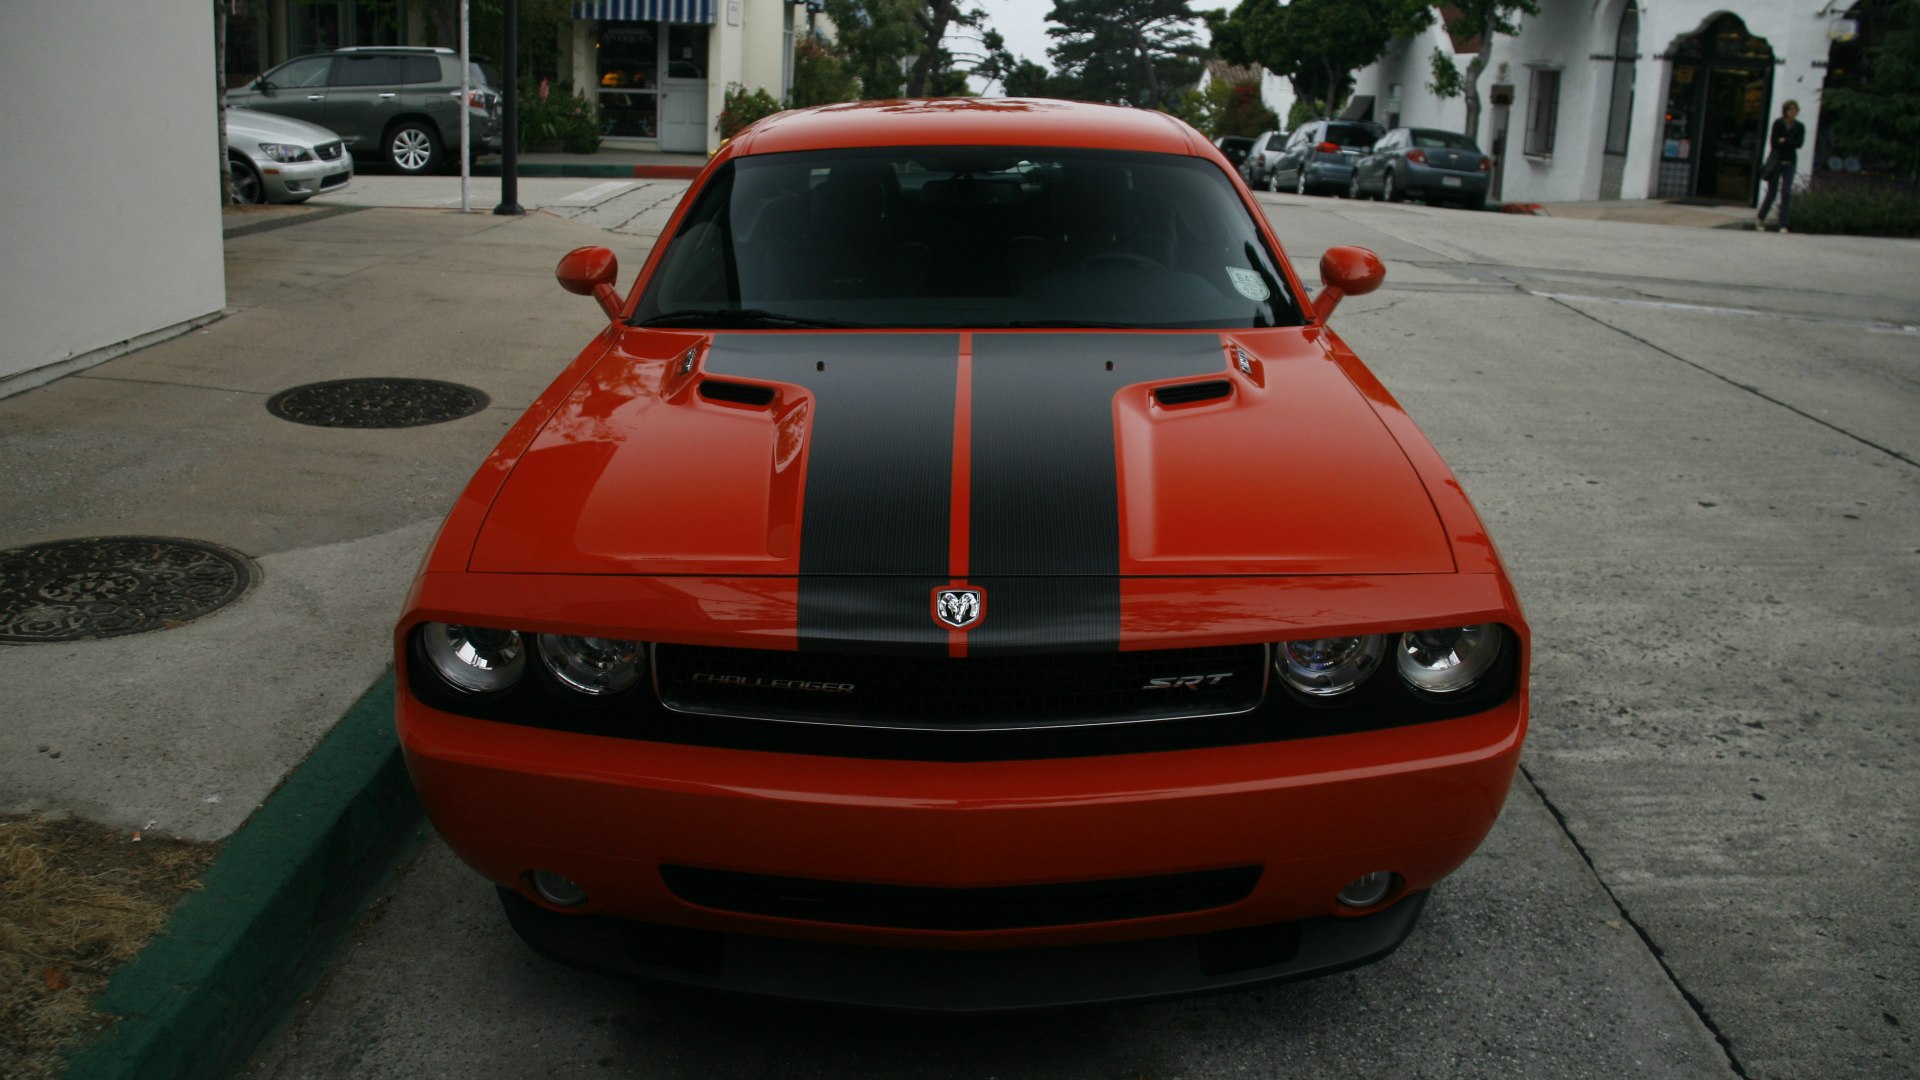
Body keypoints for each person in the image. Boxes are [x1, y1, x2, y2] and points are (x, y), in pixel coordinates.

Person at [1757, 100, 1804, 233]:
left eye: (1795, 110)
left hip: (1790, 162)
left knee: (1786, 192)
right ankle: (1761, 217)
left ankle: (1783, 223)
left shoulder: (1799, 126)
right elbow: (1774, 143)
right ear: (1785, 111)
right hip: (1777, 161)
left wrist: (1785, 140)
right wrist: (1788, 142)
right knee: (1772, 192)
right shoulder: (1778, 124)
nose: (1793, 112)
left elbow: (1799, 143)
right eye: (1790, 109)